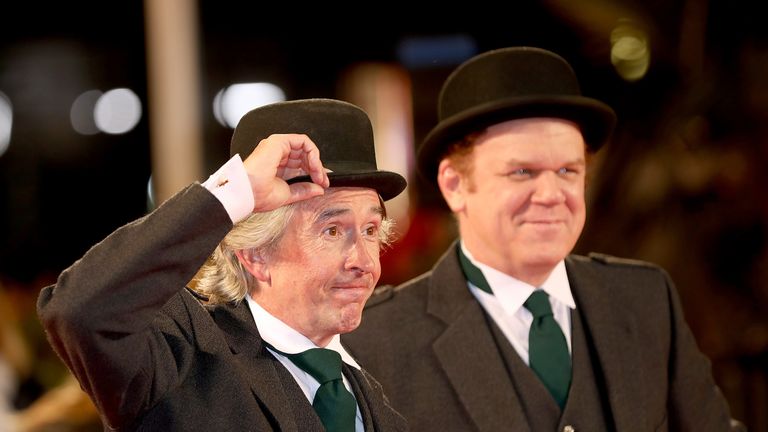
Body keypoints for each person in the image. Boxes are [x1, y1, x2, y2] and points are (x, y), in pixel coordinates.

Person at [343, 47, 737, 431]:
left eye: (568, 170)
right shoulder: (376, 342)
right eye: (522, 173)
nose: (552, 194)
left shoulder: (646, 299)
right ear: (455, 185)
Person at [37, 98, 408, 431]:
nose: (363, 260)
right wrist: (236, 190)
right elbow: (80, 311)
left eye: (371, 230)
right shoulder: (182, 356)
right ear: (255, 254)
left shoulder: (379, 397)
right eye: (331, 230)